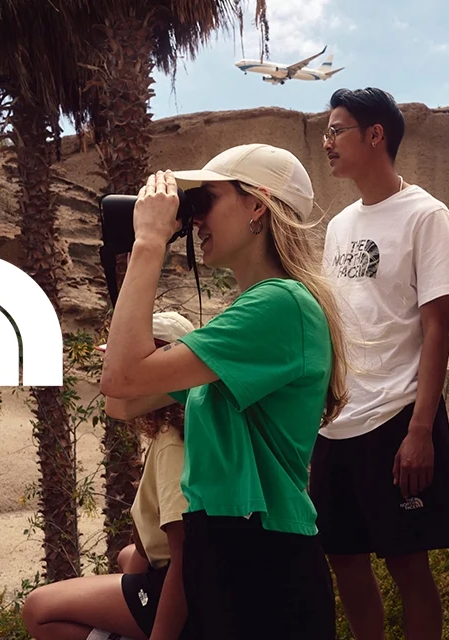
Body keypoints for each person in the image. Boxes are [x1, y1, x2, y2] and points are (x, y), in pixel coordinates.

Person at [98, 144, 348, 640]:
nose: (194, 222)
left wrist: (149, 244)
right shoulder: (252, 312)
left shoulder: (281, 305)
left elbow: (121, 377)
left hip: (263, 559)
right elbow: (122, 401)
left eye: (205, 201)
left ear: (258, 205)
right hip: (233, 552)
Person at [311, 87, 449, 640]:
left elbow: (437, 327)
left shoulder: (426, 215)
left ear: (375, 135)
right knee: (343, 557)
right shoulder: (338, 227)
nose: (326, 142)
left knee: (407, 564)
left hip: (399, 417)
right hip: (338, 423)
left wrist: (421, 430)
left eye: (337, 130)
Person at [21, 312, 196, 640]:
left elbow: (185, 556)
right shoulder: (176, 424)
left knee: (38, 610)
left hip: (183, 588)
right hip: (183, 575)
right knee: (128, 556)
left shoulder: (174, 443)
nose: (110, 378)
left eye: (121, 365)